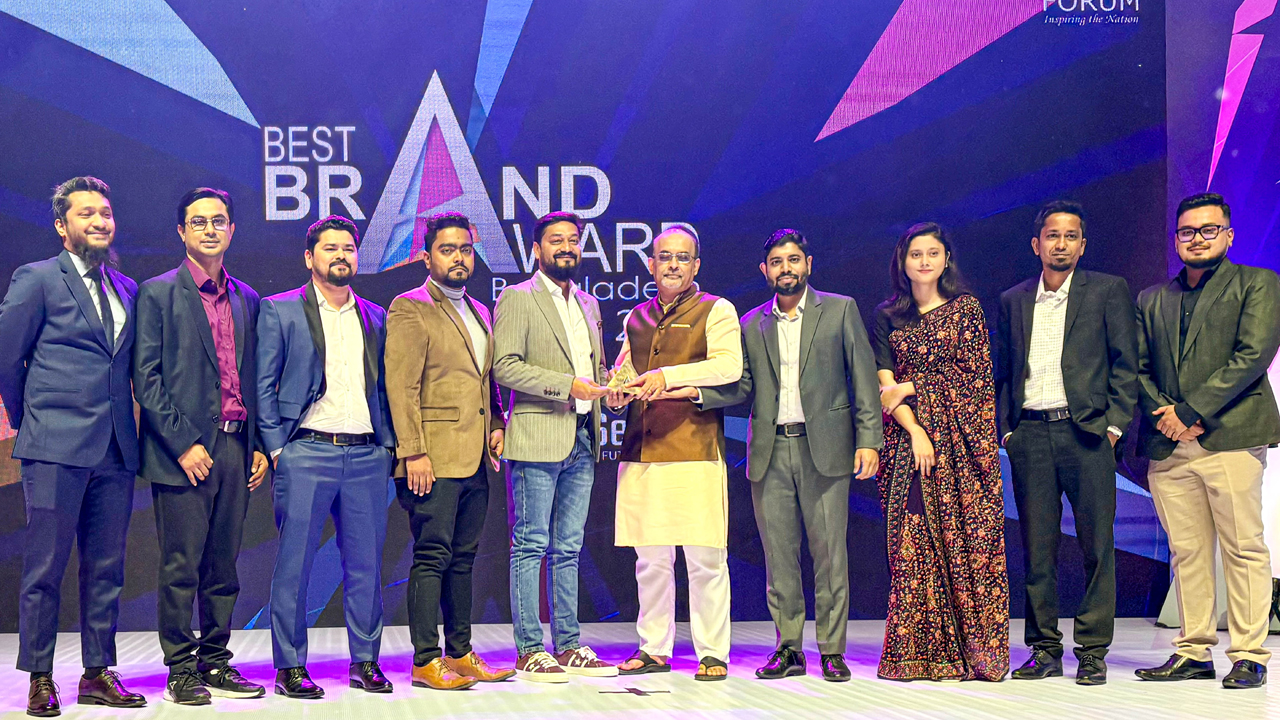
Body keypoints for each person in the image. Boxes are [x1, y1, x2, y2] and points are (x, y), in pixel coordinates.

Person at [698, 229, 881, 682]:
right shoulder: (751, 323)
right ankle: (789, 648)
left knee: (830, 554)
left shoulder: (839, 310)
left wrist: (869, 440)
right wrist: (696, 394)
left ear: (808, 264)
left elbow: (863, 378)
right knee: (779, 556)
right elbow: (741, 385)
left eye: (794, 260)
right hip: (770, 450)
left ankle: (832, 650)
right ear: (765, 270)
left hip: (828, 448)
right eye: (777, 262)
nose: (786, 269)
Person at [0, 176, 147, 716]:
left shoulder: (126, 288)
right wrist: (31, 423)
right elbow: (6, 359)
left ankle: (97, 673)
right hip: (54, 447)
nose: (100, 221)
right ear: (62, 226)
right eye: (87, 213)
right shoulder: (37, 278)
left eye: (105, 212)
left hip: (115, 449)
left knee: (106, 567)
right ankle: (40, 678)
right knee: (45, 569)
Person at [1133, 193, 1280, 689]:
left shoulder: (1257, 283)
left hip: (1231, 437)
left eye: (1208, 229)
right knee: (1188, 553)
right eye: (1187, 231)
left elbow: (1252, 355)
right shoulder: (1152, 298)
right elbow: (1137, 368)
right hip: (1169, 444)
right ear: (1176, 239)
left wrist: (1189, 412)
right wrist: (1168, 417)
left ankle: (1250, 655)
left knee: (1243, 548)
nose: (1197, 239)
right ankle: (1193, 651)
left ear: (1228, 235)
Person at [995, 201, 1138, 686]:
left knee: (1097, 546)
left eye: (1070, 236)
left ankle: (1092, 652)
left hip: (1087, 435)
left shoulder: (1107, 290)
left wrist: (1113, 427)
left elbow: (1126, 363)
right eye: (1052, 236)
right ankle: (1044, 649)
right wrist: (1009, 431)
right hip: (1031, 435)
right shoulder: (1013, 299)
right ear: (1036, 245)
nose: (1061, 244)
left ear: (1083, 244)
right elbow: (1004, 371)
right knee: (1038, 549)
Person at [134, 188, 268, 704]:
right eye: (199, 222)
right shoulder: (157, 293)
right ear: (181, 231)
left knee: (223, 566)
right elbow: (146, 379)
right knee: (180, 566)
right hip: (184, 454)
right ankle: (180, 669)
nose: (210, 229)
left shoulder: (247, 298)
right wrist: (183, 443)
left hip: (236, 448)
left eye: (219, 221)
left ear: (232, 230)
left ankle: (215, 661)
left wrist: (258, 445)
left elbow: (253, 380)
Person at [256, 215, 395, 699]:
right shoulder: (279, 310)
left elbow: (386, 387)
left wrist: (387, 446)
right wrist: (278, 448)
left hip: (366, 455)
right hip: (306, 451)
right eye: (330, 248)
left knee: (365, 566)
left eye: (348, 248)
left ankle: (365, 662)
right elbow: (262, 384)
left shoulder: (375, 316)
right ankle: (290, 666)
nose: (341, 255)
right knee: (294, 566)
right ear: (309, 257)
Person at [872, 222, 1009, 682]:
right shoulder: (888, 316)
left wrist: (912, 386)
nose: (924, 261)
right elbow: (885, 390)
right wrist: (915, 431)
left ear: (946, 258)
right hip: (908, 445)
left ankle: (972, 653)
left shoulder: (966, 310)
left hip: (963, 450)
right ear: (903, 261)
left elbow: (977, 381)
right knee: (914, 543)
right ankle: (920, 654)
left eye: (933, 253)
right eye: (916, 254)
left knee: (968, 543)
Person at [385, 212, 513, 690]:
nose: (458, 257)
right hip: (432, 459)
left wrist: (497, 424)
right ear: (426, 256)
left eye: (465, 249)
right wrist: (413, 452)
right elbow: (401, 386)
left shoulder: (479, 310)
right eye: (447, 249)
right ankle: (425, 660)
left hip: (475, 458)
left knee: (464, 558)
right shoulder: (410, 307)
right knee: (432, 556)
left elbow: (485, 380)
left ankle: (460, 653)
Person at [610, 227, 743, 681]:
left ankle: (713, 653)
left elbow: (728, 366)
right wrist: (616, 392)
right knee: (650, 560)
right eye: (664, 256)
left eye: (682, 258)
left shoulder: (716, 309)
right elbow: (625, 371)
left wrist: (665, 376)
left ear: (696, 265)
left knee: (705, 558)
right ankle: (653, 648)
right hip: (642, 450)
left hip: (694, 447)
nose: (672, 265)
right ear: (651, 264)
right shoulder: (637, 316)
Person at [492, 211, 616, 682]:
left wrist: (611, 389)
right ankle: (529, 649)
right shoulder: (517, 297)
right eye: (555, 240)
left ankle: (568, 645)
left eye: (573, 240)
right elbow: (504, 366)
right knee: (530, 544)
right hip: (537, 436)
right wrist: (567, 385)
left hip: (583, 437)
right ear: (536, 250)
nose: (566, 247)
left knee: (569, 547)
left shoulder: (588, 303)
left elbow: (595, 372)